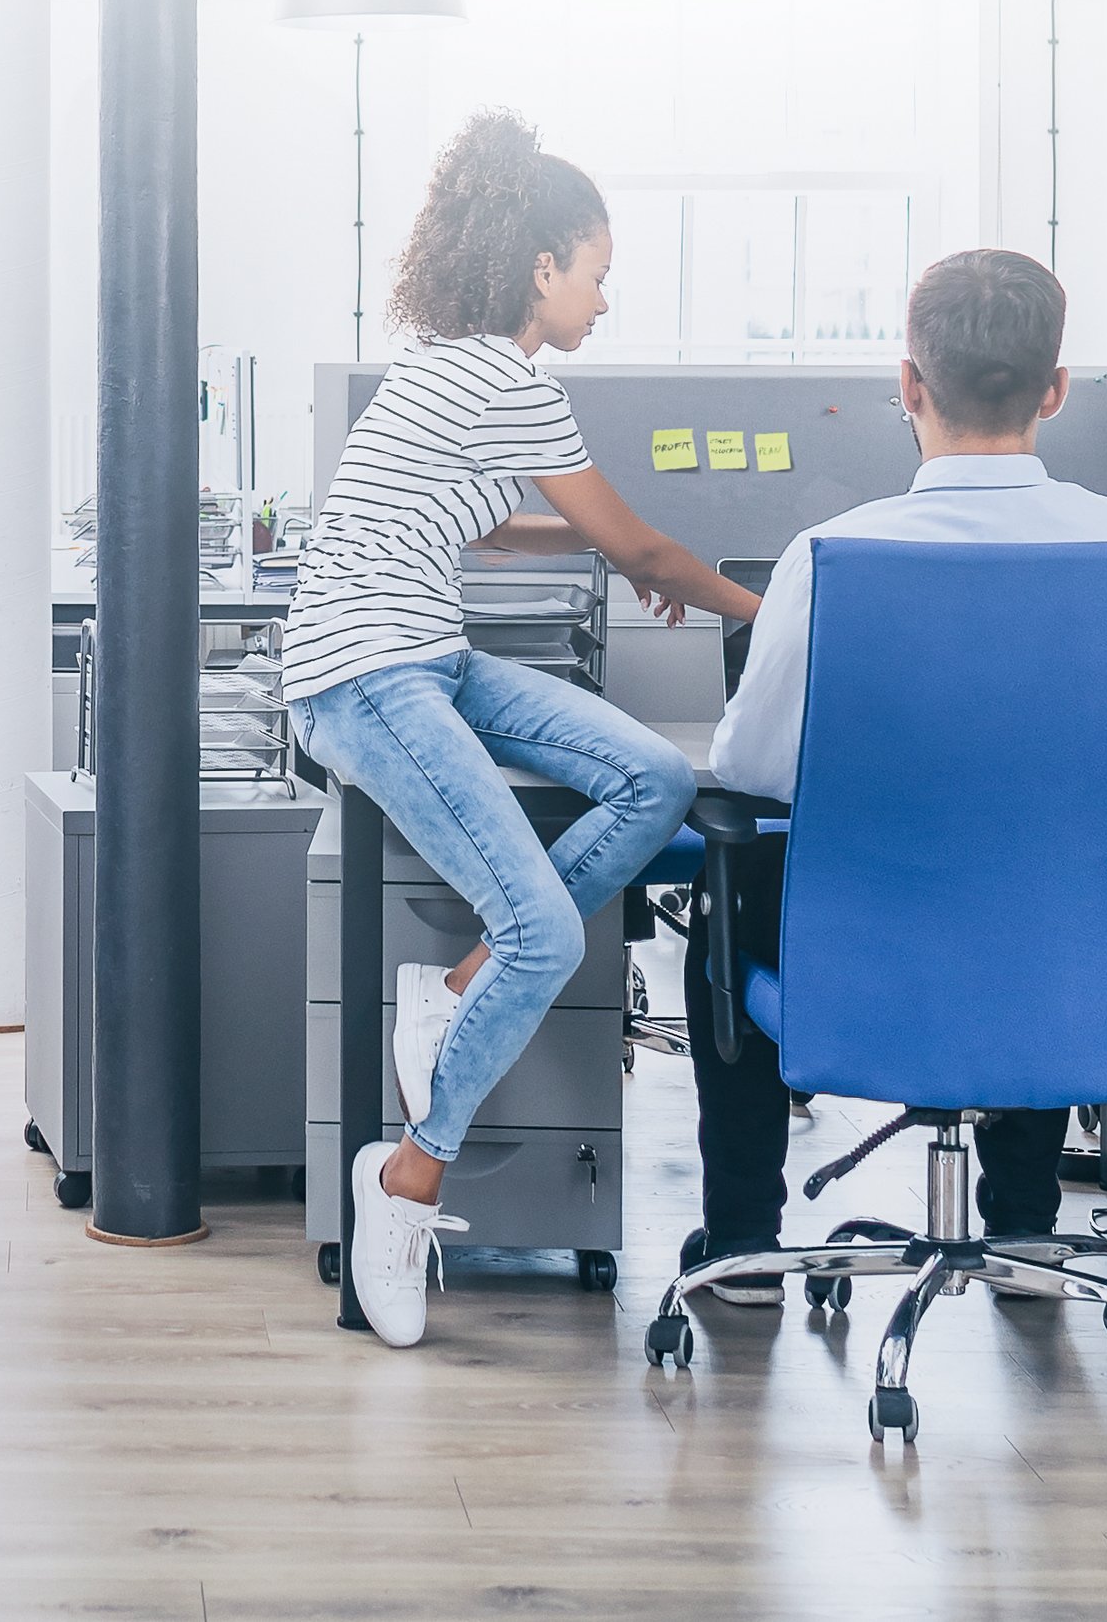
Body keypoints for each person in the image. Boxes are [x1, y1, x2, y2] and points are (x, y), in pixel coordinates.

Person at [296, 110, 764, 1349]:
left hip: (429, 652)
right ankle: (406, 1180)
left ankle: (452, 991)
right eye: (597, 274)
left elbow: (504, 527)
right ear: (541, 265)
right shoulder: (498, 375)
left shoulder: (457, 371)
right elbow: (641, 542)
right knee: (546, 926)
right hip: (360, 672)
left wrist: (622, 552)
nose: (603, 301)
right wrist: (765, 605)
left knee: (653, 774)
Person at [684, 249, 1107, 1302]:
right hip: (1066, 970)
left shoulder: (829, 557)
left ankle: (741, 1244)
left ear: (909, 387)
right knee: (1034, 872)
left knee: (735, 882)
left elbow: (749, 767)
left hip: (867, 978)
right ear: (1055, 389)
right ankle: (1025, 1229)